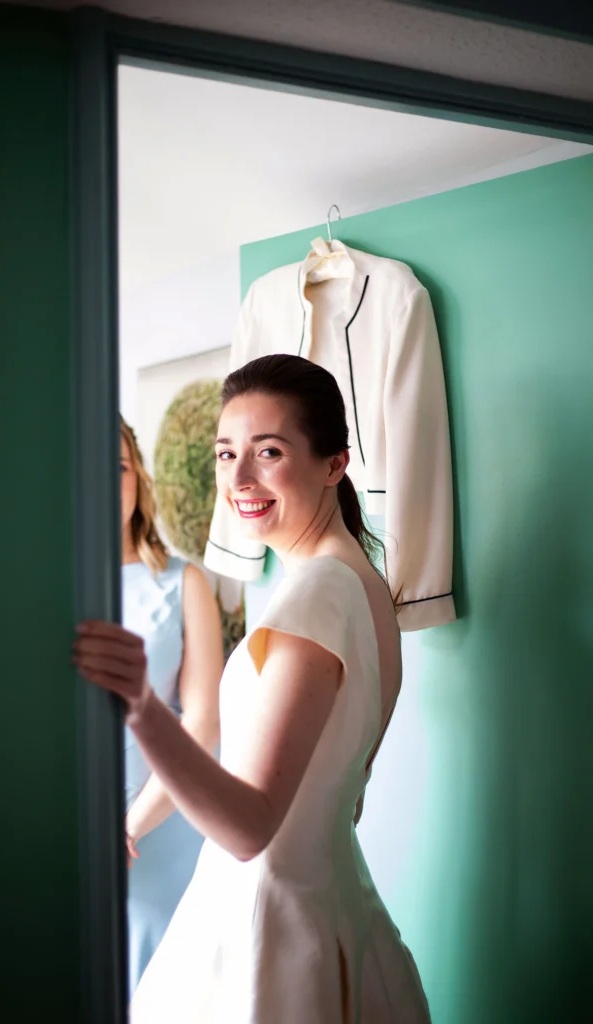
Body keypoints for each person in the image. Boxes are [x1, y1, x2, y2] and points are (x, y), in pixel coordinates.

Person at [75, 362, 431, 1023]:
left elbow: (248, 830)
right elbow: (340, 800)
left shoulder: (318, 595)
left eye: (268, 452)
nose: (238, 480)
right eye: (225, 453)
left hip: (269, 941)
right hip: (327, 909)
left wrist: (143, 708)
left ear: (334, 464)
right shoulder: (358, 582)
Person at [117, 417, 223, 997]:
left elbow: (204, 724)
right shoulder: (42, 587)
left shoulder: (184, 584)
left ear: (140, 482)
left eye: (120, 466)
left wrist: (125, 833)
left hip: (160, 832)